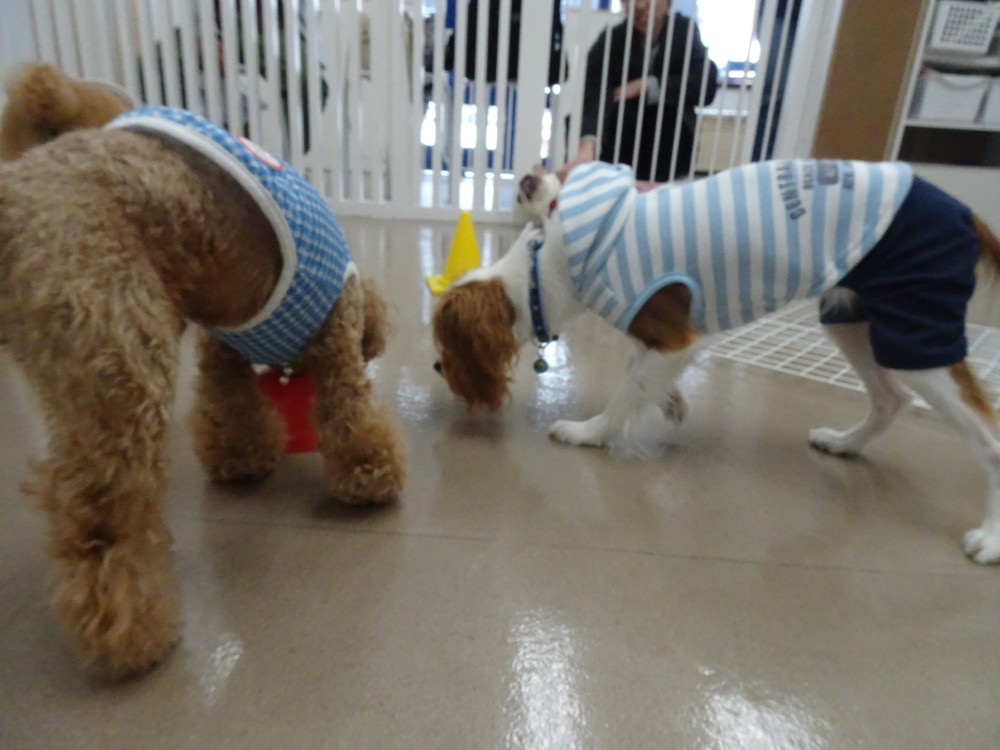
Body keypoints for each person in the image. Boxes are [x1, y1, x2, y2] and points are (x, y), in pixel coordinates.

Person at [558, 0, 717, 183]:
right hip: (621, 145)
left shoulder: (684, 31)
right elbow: (594, 97)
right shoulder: (612, 40)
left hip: (671, 145)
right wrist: (587, 148)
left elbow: (705, 85)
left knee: (666, 119)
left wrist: (646, 86)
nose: (640, 5)